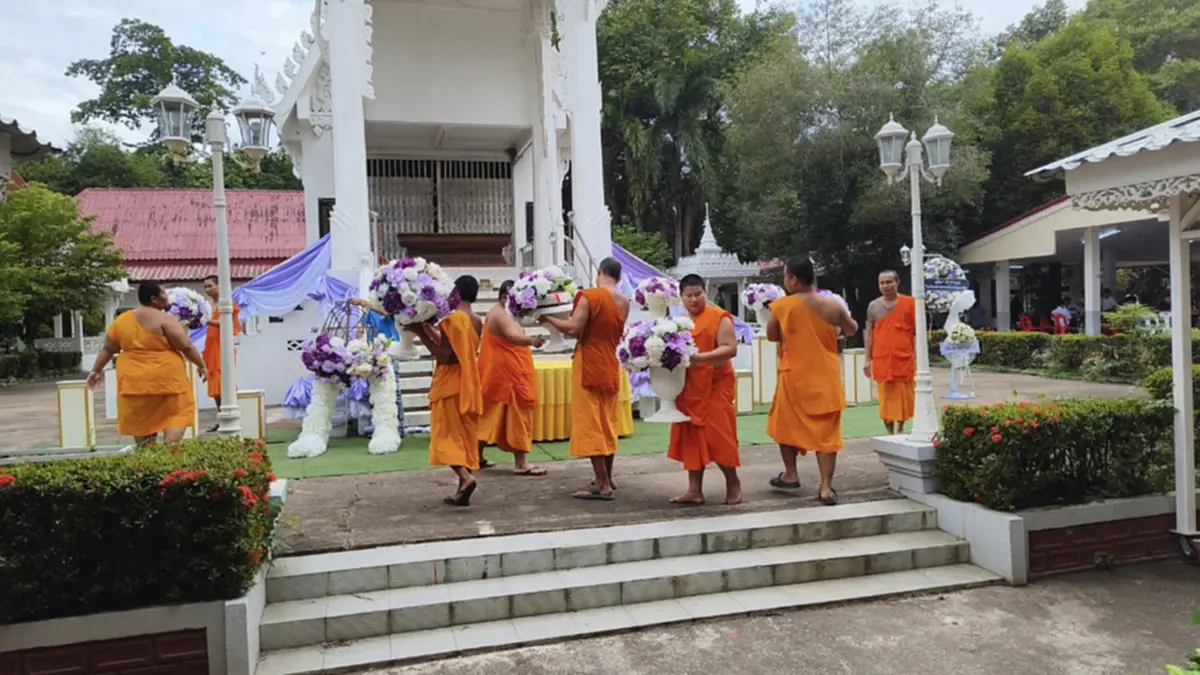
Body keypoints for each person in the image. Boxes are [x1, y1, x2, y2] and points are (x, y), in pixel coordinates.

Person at [766, 256, 857, 505]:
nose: (785, 281)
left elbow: (772, 334)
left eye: (785, 276)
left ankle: (791, 473)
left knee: (784, 426)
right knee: (827, 434)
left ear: (794, 280)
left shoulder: (783, 305)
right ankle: (826, 488)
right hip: (824, 376)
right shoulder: (832, 305)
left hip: (793, 376)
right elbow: (851, 329)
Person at [539, 257, 630, 500]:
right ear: (618, 277)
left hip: (589, 360)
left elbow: (573, 328)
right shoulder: (624, 301)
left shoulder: (590, 296)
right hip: (610, 361)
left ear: (599, 272)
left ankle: (602, 485)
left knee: (591, 424)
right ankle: (607, 477)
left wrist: (547, 319)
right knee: (607, 422)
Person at [85, 280, 207, 446]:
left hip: (135, 382)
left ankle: (148, 455)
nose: (168, 297)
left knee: (142, 422)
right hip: (167, 380)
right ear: (154, 299)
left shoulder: (122, 320)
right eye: (164, 294)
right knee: (177, 414)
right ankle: (169, 450)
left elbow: (108, 349)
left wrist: (95, 371)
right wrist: (201, 365)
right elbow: (185, 346)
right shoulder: (165, 319)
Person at [408, 275, 483, 506]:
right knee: (462, 436)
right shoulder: (476, 320)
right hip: (468, 382)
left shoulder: (454, 318)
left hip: (450, 383)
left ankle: (464, 476)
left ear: (454, 293)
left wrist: (419, 333)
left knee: (446, 438)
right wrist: (428, 329)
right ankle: (461, 489)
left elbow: (446, 356)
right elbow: (454, 345)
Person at [667, 274, 742, 505]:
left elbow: (730, 349)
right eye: (688, 296)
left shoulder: (720, 318)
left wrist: (699, 359)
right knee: (692, 438)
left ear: (705, 292)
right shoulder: (679, 322)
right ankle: (694, 490)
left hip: (715, 386)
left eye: (698, 294)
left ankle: (733, 482)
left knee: (717, 436)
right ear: (681, 297)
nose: (694, 300)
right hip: (690, 387)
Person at [478, 280, 547, 475]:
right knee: (515, 414)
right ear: (504, 297)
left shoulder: (505, 313)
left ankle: (477, 456)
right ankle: (521, 463)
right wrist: (532, 340)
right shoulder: (500, 314)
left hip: (504, 372)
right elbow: (512, 336)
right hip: (507, 375)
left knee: (490, 416)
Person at [863, 270, 915, 435]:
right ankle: (889, 432)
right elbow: (870, 333)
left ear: (897, 282)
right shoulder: (873, 306)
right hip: (882, 358)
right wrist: (867, 359)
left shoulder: (910, 303)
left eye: (889, 282)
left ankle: (900, 429)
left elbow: (917, 331)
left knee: (903, 395)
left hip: (904, 357)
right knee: (885, 397)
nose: (885, 286)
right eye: (882, 283)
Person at [347, 297, 407, 438]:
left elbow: (385, 313)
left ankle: (399, 428)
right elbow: (364, 325)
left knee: (394, 390)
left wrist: (365, 304)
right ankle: (381, 427)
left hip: (390, 350)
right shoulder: (370, 312)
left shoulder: (390, 308)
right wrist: (359, 333)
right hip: (375, 352)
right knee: (376, 390)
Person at [201, 274, 241, 433]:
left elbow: (227, 323)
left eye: (210, 286)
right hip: (211, 347)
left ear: (219, 286)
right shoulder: (207, 306)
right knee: (215, 387)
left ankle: (233, 417)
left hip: (223, 347)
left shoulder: (227, 303)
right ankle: (222, 418)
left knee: (226, 384)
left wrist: (207, 321)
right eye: (205, 287)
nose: (207, 289)